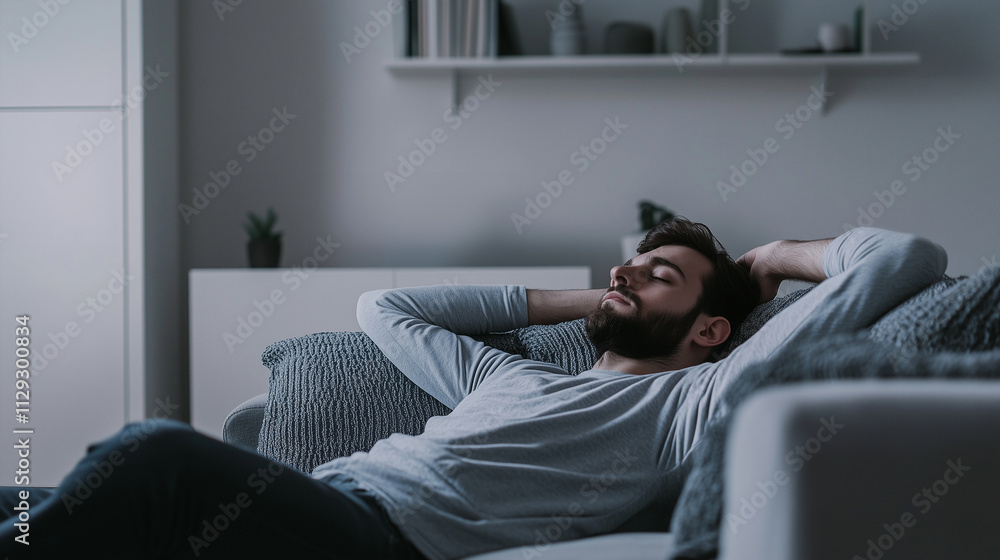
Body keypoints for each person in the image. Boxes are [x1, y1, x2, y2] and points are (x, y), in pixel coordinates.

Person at [0, 219, 947, 560]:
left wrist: (771, 259)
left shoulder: (694, 400)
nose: (629, 275)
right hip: (322, 504)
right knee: (28, 503)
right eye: (632, 262)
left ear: (710, 330)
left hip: (383, 543)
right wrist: (601, 292)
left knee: (152, 455)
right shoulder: (512, 372)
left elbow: (902, 257)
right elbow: (386, 310)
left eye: (659, 275)